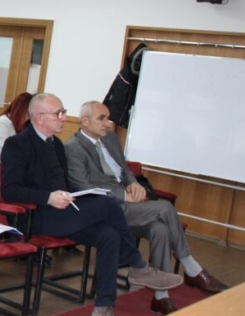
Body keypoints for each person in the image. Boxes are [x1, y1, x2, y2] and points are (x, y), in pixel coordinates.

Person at [0, 93, 184, 316]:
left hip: (63, 213)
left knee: (109, 235)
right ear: (39, 117)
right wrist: (48, 197)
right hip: (35, 216)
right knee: (107, 205)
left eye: (63, 112)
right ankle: (138, 266)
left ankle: (103, 307)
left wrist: (82, 194)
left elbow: (66, 184)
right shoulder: (17, 145)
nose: (64, 118)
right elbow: (10, 190)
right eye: (58, 113)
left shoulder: (56, 144)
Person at [65, 101, 228, 314]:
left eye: (108, 118)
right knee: (165, 209)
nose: (108, 123)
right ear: (84, 121)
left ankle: (161, 296)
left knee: (160, 229)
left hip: (128, 208)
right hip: (104, 209)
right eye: (101, 118)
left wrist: (134, 185)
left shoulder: (110, 138)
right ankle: (191, 267)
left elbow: (124, 171)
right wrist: (125, 195)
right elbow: (85, 188)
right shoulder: (73, 148)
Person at [0, 92, 33, 197]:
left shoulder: (20, 126)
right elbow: (7, 154)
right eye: (27, 113)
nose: (28, 117)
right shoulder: (1, 124)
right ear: (19, 109)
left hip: (7, 173)